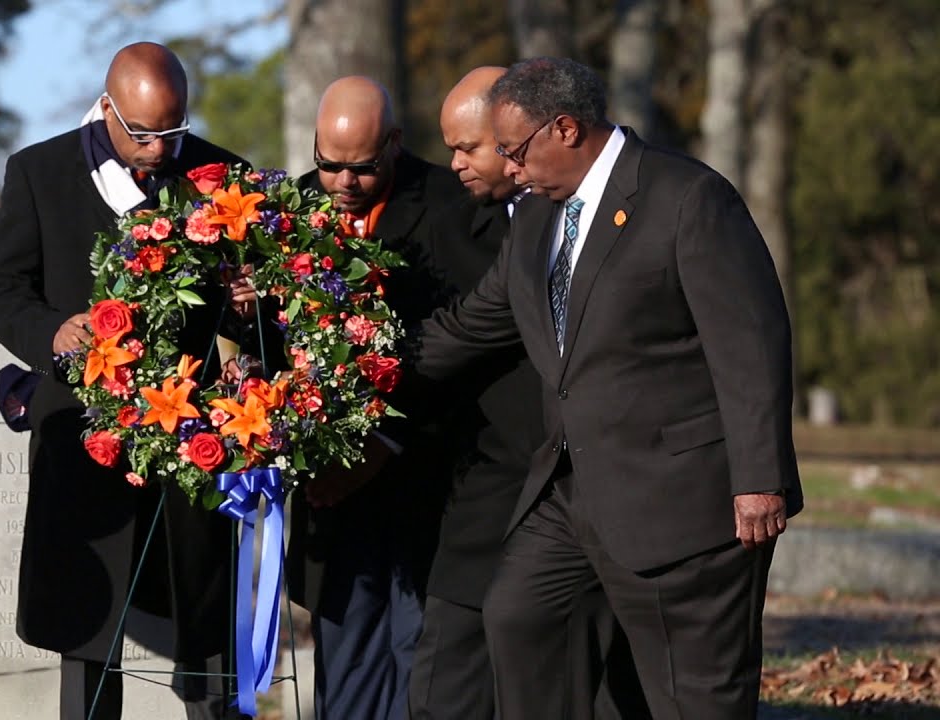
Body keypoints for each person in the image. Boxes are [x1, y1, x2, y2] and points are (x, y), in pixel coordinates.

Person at [412, 57, 803, 719]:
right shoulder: (537, 219)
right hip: (571, 494)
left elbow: (751, 343)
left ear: (564, 128)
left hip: (685, 500)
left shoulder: (685, 198)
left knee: (693, 696)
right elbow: (470, 326)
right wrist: (343, 375)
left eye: (513, 150)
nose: (507, 168)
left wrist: (760, 477)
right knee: (518, 617)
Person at [0, 42, 251, 720]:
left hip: (192, 433)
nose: (159, 148)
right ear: (106, 108)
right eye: (144, 132)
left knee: (205, 619)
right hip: (86, 432)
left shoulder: (222, 175)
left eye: (173, 131)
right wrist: (51, 333)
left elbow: (252, 300)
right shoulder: (39, 172)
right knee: (87, 629)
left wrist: (248, 309)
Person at [408, 66, 644, 720]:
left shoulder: (633, 204)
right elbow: (458, 330)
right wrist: (357, 374)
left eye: (472, 147)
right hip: (491, 488)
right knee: (463, 672)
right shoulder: (462, 222)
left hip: (609, 485)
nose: (453, 162)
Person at [284, 75, 466, 720]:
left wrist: (385, 442)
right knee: (348, 649)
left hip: (427, 476)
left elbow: (471, 345)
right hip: (331, 483)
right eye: (327, 164)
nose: (342, 183)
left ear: (392, 143)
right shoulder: (295, 208)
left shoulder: (450, 203)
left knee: (419, 651)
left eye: (361, 168)